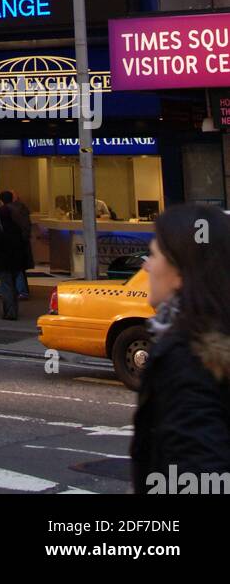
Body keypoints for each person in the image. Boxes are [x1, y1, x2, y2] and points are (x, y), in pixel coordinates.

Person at [131, 204, 230, 495]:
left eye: (154, 254)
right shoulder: (215, 337)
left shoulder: (184, 357)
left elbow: (198, 478)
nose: (146, 265)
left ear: (180, 273)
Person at [0, 190, 29, 320]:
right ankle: (14, 310)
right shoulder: (21, 210)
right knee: (14, 282)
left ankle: (9, 312)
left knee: (7, 284)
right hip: (19, 253)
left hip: (5, 254)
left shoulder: (2, 212)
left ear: (1, 200)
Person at [9, 190, 33, 299]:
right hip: (19, 242)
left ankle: (21, 290)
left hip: (16, 243)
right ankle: (21, 290)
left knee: (16, 268)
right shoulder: (21, 209)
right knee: (18, 268)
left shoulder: (14, 210)